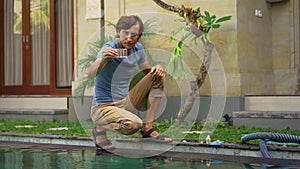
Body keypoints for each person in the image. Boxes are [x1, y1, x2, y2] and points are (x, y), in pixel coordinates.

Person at [87, 15, 172, 150]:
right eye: (125, 33)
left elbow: (148, 73)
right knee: (133, 125)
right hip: (103, 108)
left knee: (158, 76)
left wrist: (157, 68)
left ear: (139, 36)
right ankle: (100, 128)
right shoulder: (109, 47)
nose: (129, 38)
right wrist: (102, 59)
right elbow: (90, 73)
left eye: (133, 34)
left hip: (125, 103)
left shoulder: (138, 49)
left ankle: (147, 129)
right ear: (119, 32)